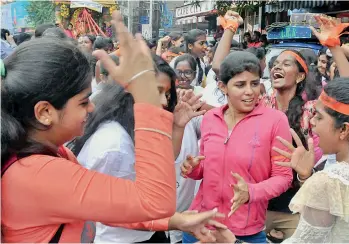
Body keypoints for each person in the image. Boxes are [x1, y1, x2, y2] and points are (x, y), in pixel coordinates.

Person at [1, 12, 221, 243]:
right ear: (45, 113)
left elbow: (110, 207)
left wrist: (175, 221)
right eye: (83, 102)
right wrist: (146, 101)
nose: (92, 108)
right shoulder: (37, 173)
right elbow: (154, 202)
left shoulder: (54, 155)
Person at [214, 78, 349, 243]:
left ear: (343, 129)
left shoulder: (329, 181)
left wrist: (234, 242)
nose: (312, 122)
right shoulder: (331, 180)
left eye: (319, 118)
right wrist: (307, 177)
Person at [181, 50, 293, 244]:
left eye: (255, 83)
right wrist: (193, 169)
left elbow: (283, 177)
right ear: (223, 87)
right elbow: (205, 169)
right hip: (199, 225)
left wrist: (251, 192)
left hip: (245, 231)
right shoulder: (210, 118)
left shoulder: (275, 121)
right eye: (240, 85)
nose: (250, 91)